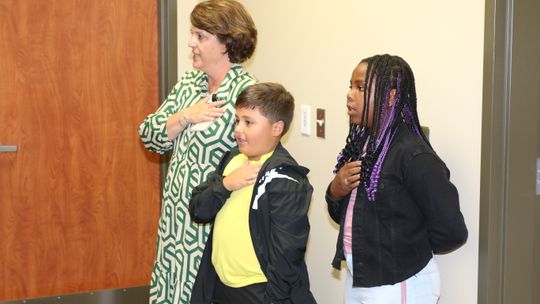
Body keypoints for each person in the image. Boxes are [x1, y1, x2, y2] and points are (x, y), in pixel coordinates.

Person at [138, 1, 257, 303]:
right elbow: (149, 135)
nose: (191, 43)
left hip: (214, 217)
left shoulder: (247, 93)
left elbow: (258, 157)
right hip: (176, 216)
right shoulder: (189, 84)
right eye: (192, 34)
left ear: (227, 42)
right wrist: (185, 116)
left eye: (201, 36)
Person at [326, 54, 468, 304]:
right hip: (361, 274)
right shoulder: (363, 144)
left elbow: (452, 230)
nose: (350, 95)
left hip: (398, 283)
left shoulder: (413, 155)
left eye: (361, 88)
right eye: (350, 86)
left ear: (390, 96)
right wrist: (335, 191)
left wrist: (402, 251)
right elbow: (354, 218)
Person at [189, 83, 317, 304]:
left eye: (249, 122)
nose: (238, 129)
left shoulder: (285, 178)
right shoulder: (232, 160)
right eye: (237, 120)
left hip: (258, 292)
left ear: (277, 128)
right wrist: (226, 184)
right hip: (220, 286)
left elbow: (286, 255)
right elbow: (199, 210)